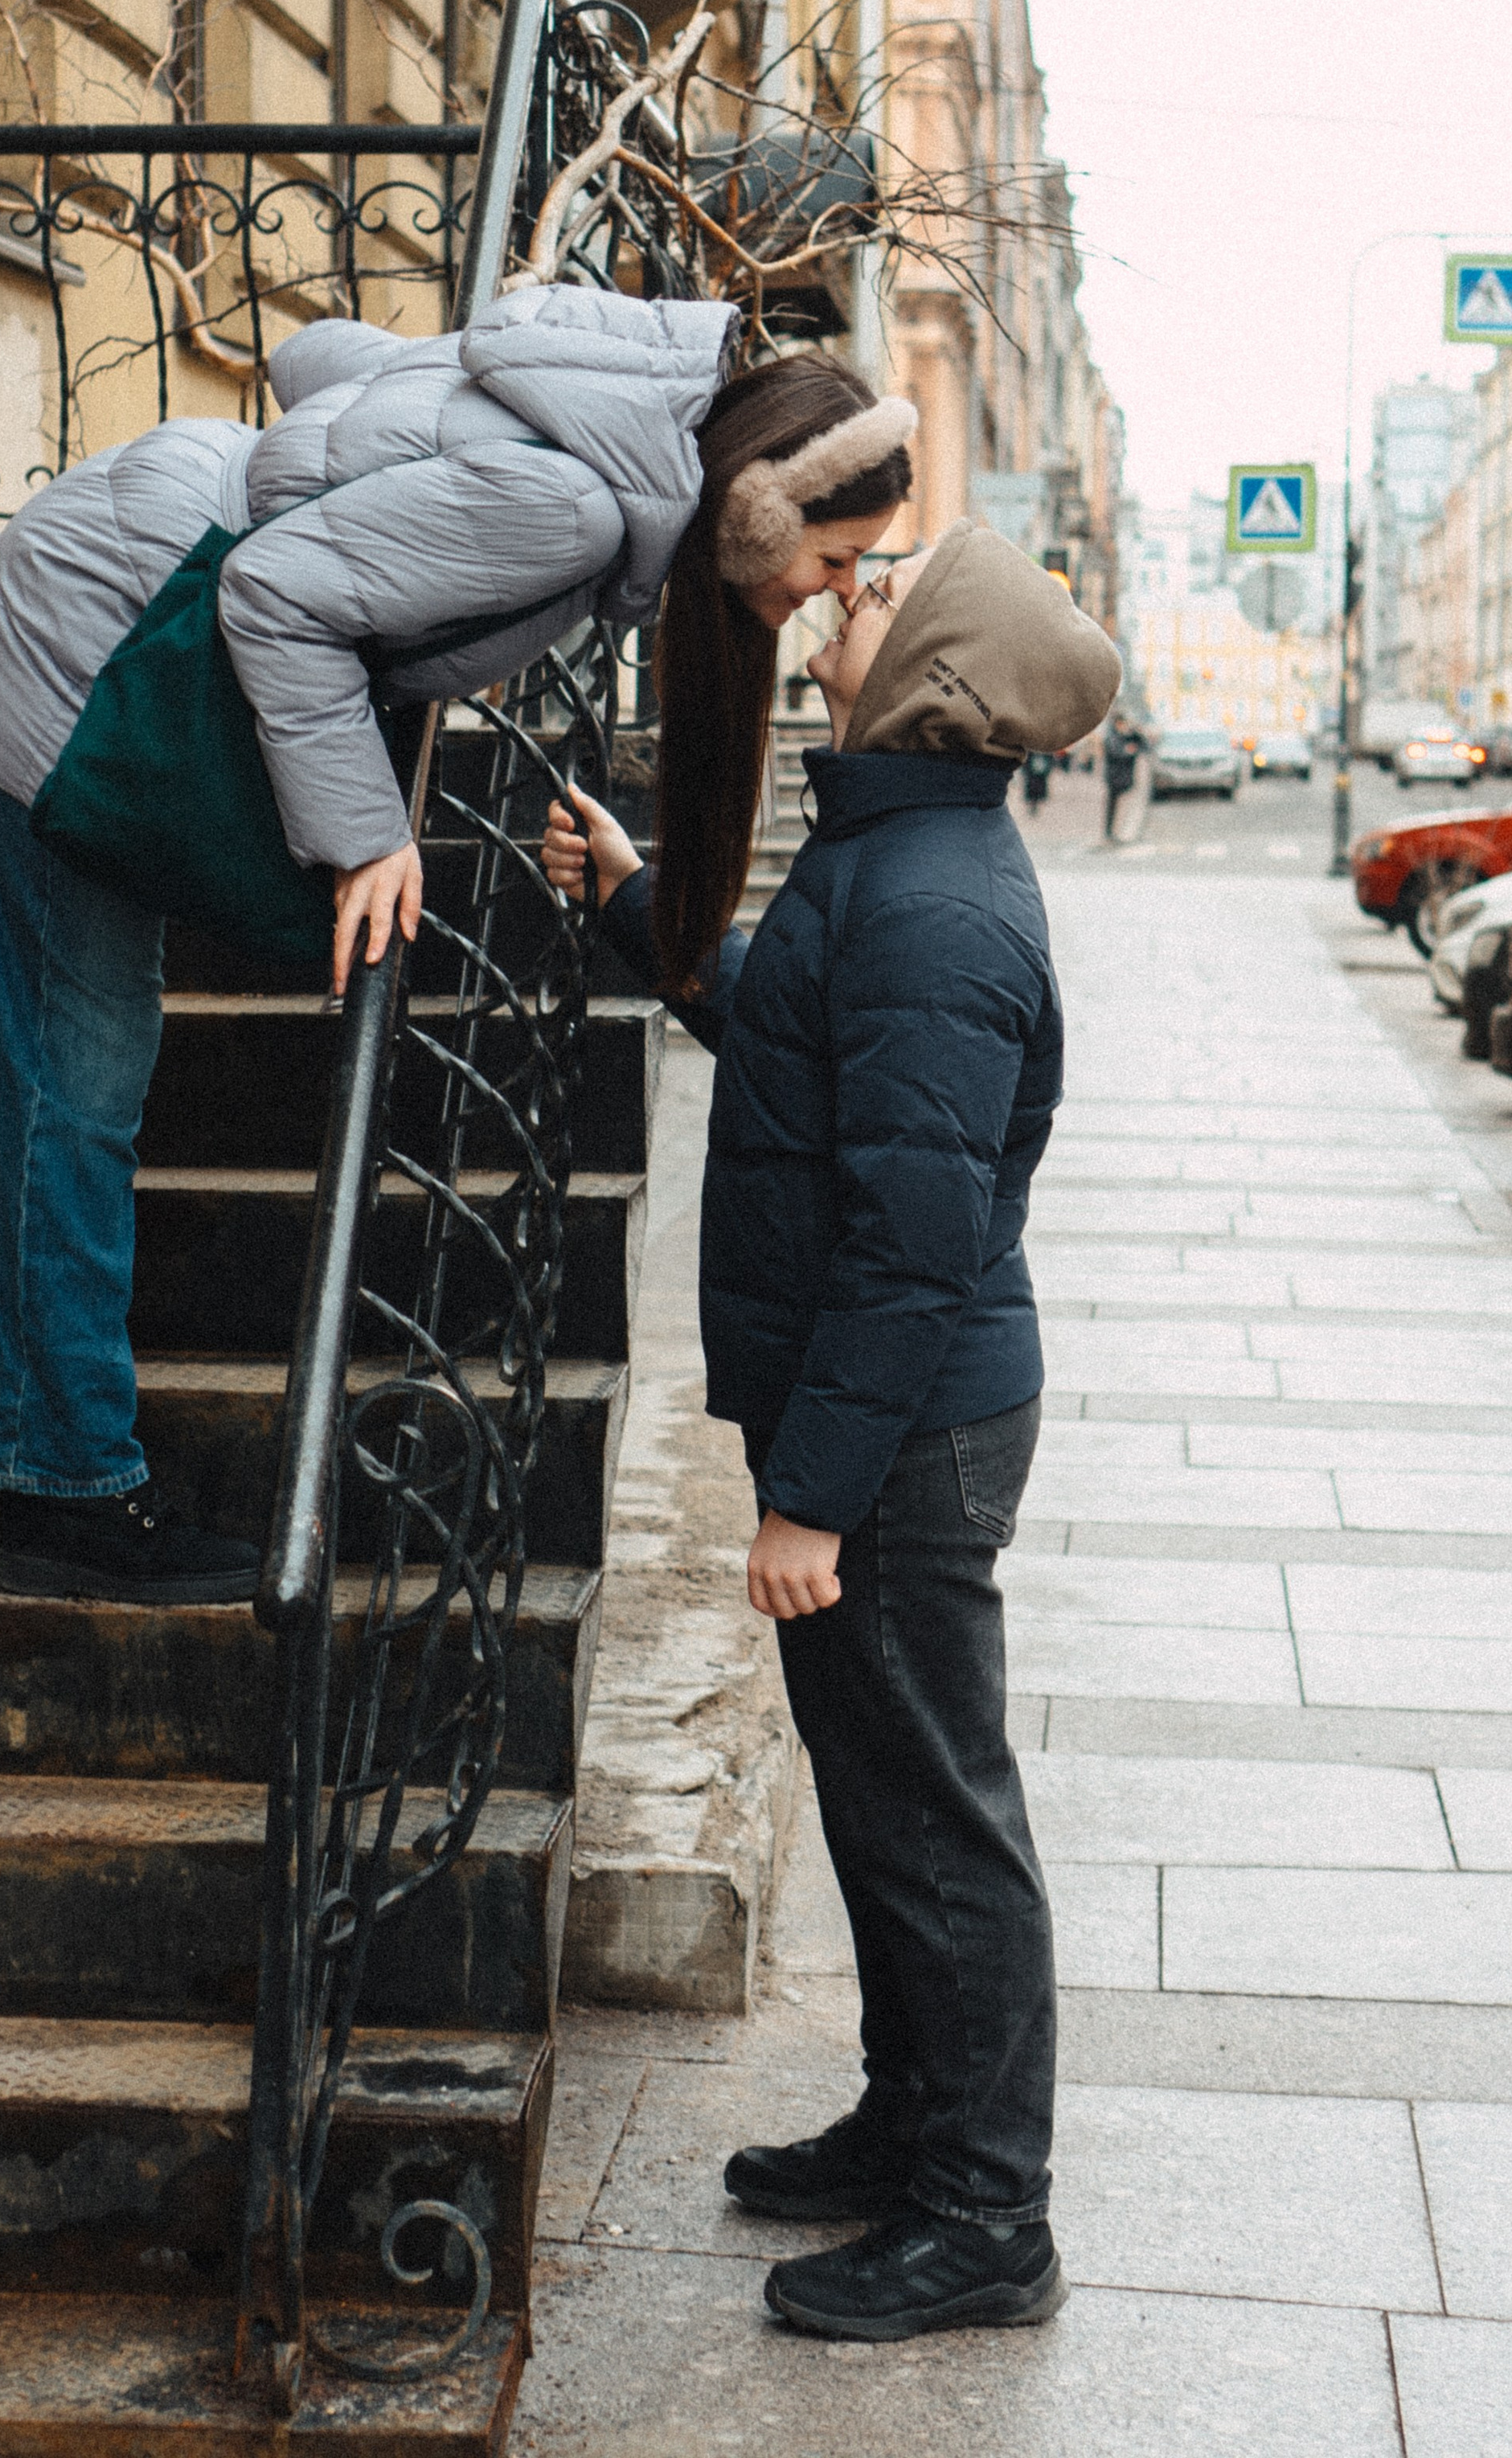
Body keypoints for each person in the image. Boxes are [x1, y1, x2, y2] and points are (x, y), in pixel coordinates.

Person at [0, 290, 915, 1605]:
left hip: (94, 589)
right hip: (92, 651)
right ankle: (55, 1483)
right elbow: (277, 592)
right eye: (836, 559)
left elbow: (322, 361)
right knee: (75, 1068)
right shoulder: (580, 504)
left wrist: (424, 563)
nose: (836, 594)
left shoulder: (598, 415)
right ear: (758, 508)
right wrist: (367, 837)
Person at [543, 517, 1121, 2344]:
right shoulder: (887, 845)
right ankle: (909, 2119)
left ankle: (985, 2216)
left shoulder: (937, 899)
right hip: (878, 1420)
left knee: (939, 1817)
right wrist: (642, 898)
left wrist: (806, 1497)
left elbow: (913, 1237)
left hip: (903, 1433)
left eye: (875, 589)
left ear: (933, 664)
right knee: (881, 1802)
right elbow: (789, 1044)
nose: (837, 594)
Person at [1101, 708, 1142, 840]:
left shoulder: (1121, 735)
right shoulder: (1112, 736)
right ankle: (1109, 832)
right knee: (1113, 805)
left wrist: (1135, 730)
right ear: (1118, 723)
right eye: (1123, 723)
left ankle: (1112, 831)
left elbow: (1141, 743)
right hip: (1115, 776)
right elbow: (1117, 752)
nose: (1124, 726)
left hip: (1120, 776)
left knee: (1116, 805)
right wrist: (1128, 751)